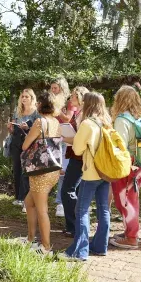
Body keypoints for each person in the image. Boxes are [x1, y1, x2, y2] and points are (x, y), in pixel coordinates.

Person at [63, 92, 111, 261]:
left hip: (91, 172)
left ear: (88, 104)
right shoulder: (107, 122)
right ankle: (100, 246)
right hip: (105, 172)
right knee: (103, 209)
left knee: (81, 210)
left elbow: (77, 149)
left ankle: (79, 251)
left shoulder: (87, 124)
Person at [21, 90, 62, 255]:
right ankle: (31, 239)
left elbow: (25, 146)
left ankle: (45, 247)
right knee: (29, 202)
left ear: (39, 105)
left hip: (40, 170)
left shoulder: (40, 122)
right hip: (53, 170)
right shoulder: (55, 122)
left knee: (41, 209)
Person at [108, 85, 141, 250]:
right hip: (140, 164)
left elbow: (120, 146)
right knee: (130, 200)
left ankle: (131, 238)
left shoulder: (122, 120)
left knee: (126, 201)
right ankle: (129, 233)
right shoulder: (138, 117)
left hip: (128, 164)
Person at [59, 86, 89, 236]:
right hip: (77, 154)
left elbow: (79, 138)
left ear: (81, 98)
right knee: (75, 189)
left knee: (67, 190)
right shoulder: (80, 113)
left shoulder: (84, 115)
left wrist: (64, 137)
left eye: (73, 97)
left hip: (79, 156)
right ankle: (76, 224)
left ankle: (73, 225)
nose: (71, 99)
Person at [8, 88, 39, 211]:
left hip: (29, 143)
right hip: (16, 142)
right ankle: (18, 198)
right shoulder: (18, 111)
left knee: (26, 171)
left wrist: (28, 127)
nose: (24, 98)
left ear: (32, 98)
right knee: (17, 169)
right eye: (22, 96)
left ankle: (25, 198)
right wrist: (10, 128)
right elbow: (12, 130)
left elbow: (38, 128)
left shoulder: (36, 112)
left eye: (27, 96)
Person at [49, 77, 70, 218]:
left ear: (62, 88)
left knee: (62, 171)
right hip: (51, 137)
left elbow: (68, 118)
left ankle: (60, 203)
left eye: (55, 88)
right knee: (49, 170)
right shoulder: (49, 101)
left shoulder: (69, 102)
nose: (52, 90)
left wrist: (57, 109)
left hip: (65, 139)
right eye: (52, 88)